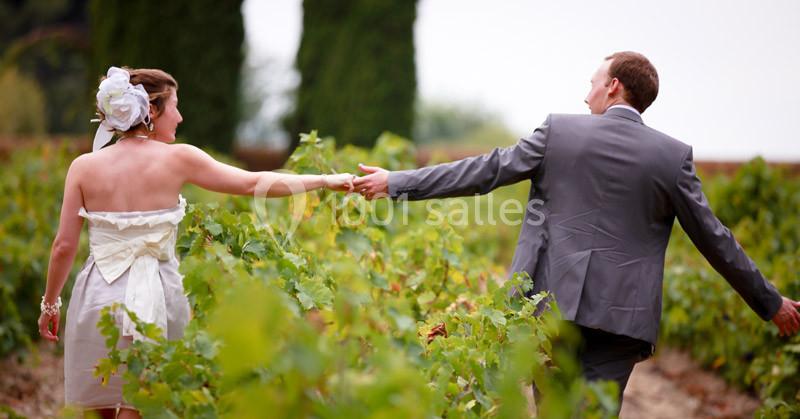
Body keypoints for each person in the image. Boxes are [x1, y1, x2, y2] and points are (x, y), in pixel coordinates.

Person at [353, 51, 800, 408]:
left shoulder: (558, 133)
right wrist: (770, 303)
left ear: (613, 86)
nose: (586, 97)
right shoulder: (671, 157)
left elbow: (483, 172)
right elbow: (714, 238)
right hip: (621, 321)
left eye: (591, 84)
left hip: (551, 307)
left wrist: (396, 183)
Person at [37, 66, 355, 419]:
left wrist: (50, 305)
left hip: (98, 296)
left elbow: (63, 246)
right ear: (152, 111)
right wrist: (325, 179)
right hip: (158, 296)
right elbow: (254, 183)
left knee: (97, 408)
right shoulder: (179, 159)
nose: (181, 116)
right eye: (175, 105)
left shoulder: (83, 167)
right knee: (141, 401)